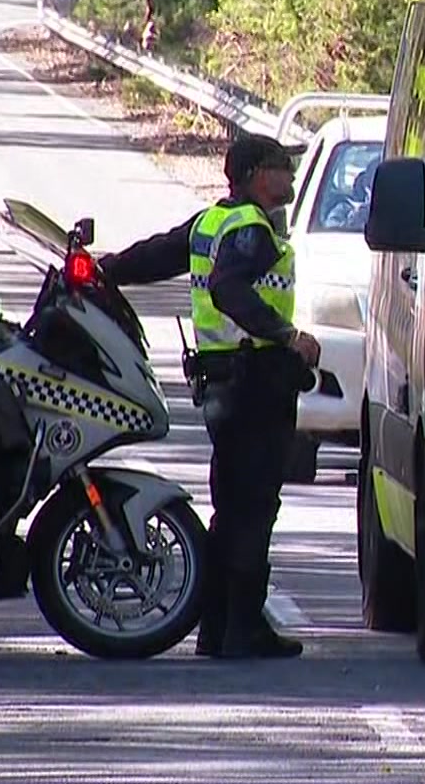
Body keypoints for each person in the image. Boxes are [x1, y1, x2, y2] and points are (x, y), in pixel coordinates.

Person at [96, 133, 323, 659]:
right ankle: (241, 627)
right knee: (255, 504)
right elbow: (228, 287)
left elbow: (155, 255)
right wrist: (289, 336)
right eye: (281, 168)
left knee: (232, 502)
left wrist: (105, 267)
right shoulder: (249, 230)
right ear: (254, 175)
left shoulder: (211, 222)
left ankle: (217, 625)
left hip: (223, 383)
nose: (289, 177)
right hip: (256, 380)